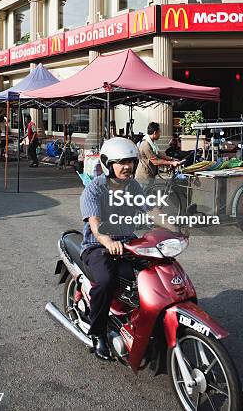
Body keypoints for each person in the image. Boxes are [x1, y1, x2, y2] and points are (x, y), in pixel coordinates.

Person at [80, 137, 144, 361]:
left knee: (153, 272)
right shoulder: (94, 188)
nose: (128, 166)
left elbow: (150, 210)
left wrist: (175, 224)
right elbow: (95, 223)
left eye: (131, 161)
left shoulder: (133, 186)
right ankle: (98, 332)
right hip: (98, 246)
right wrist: (107, 241)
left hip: (127, 242)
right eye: (121, 162)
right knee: (107, 282)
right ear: (108, 163)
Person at [135, 122, 181, 189]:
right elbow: (155, 161)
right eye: (159, 132)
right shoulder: (146, 144)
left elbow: (158, 153)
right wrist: (171, 163)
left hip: (149, 176)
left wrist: (171, 159)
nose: (160, 134)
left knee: (149, 197)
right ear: (155, 133)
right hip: (143, 178)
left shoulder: (152, 143)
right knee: (144, 198)